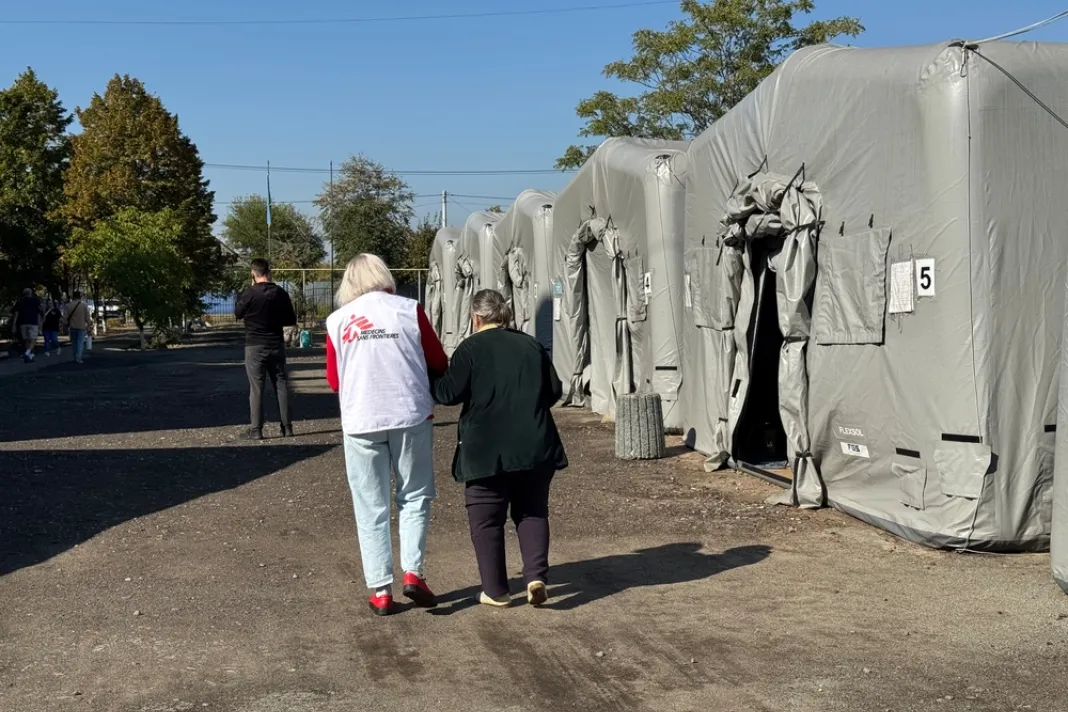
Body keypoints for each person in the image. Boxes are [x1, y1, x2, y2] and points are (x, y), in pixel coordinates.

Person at [325, 253, 448, 616]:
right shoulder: (409, 309)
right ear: (385, 277)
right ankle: (414, 571)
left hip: (361, 419)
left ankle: (380, 590)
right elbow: (438, 360)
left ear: (349, 283)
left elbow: (334, 379)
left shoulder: (337, 321)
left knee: (370, 505)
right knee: (414, 495)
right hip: (409, 413)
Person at [432, 289, 568, 608]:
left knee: (486, 519)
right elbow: (554, 391)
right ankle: (535, 576)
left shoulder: (470, 348)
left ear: (476, 317)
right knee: (532, 510)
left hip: (485, 449)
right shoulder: (530, 344)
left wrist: (431, 370)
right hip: (535, 445)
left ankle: (496, 591)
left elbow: (448, 394)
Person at [234, 258, 298, 440]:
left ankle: (256, 430)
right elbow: (290, 319)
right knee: (281, 384)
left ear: (253, 274)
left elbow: (238, 313)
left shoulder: (249, 293)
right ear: (269, 272)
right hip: (276, 344)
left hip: (254, 345)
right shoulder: (280, 293)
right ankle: (287, 427)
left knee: (257, 388)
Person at [12, 288, 42, 363]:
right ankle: (27, 353)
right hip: (33, 322)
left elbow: (16, 313)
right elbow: (39, 313)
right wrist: (39, 324)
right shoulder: (35, 301)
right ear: (31, 293)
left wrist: (14, 325)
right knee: (33, 339)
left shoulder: (20, 301)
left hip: (23, 323)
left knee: (27, 340)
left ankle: (29, 357)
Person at [65, 291, 91, 364]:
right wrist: (89, 325)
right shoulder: (84, 305)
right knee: (80, 342)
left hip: (72, 326)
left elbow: (65, 317)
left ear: (73, 297)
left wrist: (64, 324)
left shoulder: (68, 305)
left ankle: (75, 356)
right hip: (81, 327)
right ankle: (78, 358)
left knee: (74, 342)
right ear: (80, 297)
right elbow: (87, 317)